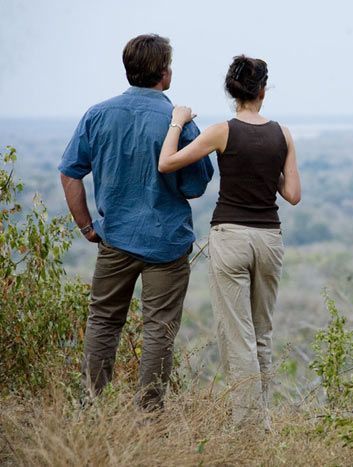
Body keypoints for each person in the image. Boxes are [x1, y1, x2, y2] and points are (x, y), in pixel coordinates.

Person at [58, 34, 214, 410]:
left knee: (103, 322)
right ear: (163, 72)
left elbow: (69, 172)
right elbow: (195, 185)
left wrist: (86, 227)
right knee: (159, 328)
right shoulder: (178, 121)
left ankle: (91, 408)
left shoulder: (98, 114)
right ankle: (149, 414)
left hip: (114, 239)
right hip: (167, 242)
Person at [158, 54, 301, 429]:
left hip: (231, 237)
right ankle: (262, 421)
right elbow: (293, 194)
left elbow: (167, 162)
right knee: (262, 333)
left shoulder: (222, 131)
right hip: (269, 238)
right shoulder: (283, 134)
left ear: (231, 91)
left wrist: (177, 121)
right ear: (263, 91)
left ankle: (249, 429)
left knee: (238, 336)